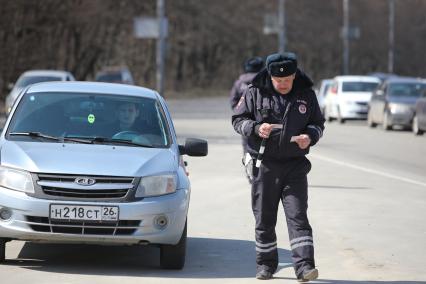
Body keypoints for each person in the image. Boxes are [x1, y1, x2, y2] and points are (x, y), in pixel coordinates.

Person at [231, 52, 325, 282]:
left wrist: (310, 136)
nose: (283, 84)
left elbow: (318, 124)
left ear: (294, 76)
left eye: (287, 80)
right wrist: (255, 128)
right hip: (265, 165)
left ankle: (304, 268)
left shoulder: (306, 95)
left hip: (295, 166)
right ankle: (265, 266)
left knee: (298, 216)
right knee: (264, 218)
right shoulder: (254, 92)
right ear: (270, 76)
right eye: (278, 80)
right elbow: (237, 120)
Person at [230, 56, 265, 182]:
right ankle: (264, 174)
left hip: (245, 122)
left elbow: (233, 100)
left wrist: (240, 112)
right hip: (264, 121)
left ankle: (251, 174)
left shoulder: (240, 83)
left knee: (247, 149)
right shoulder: (264, 81)